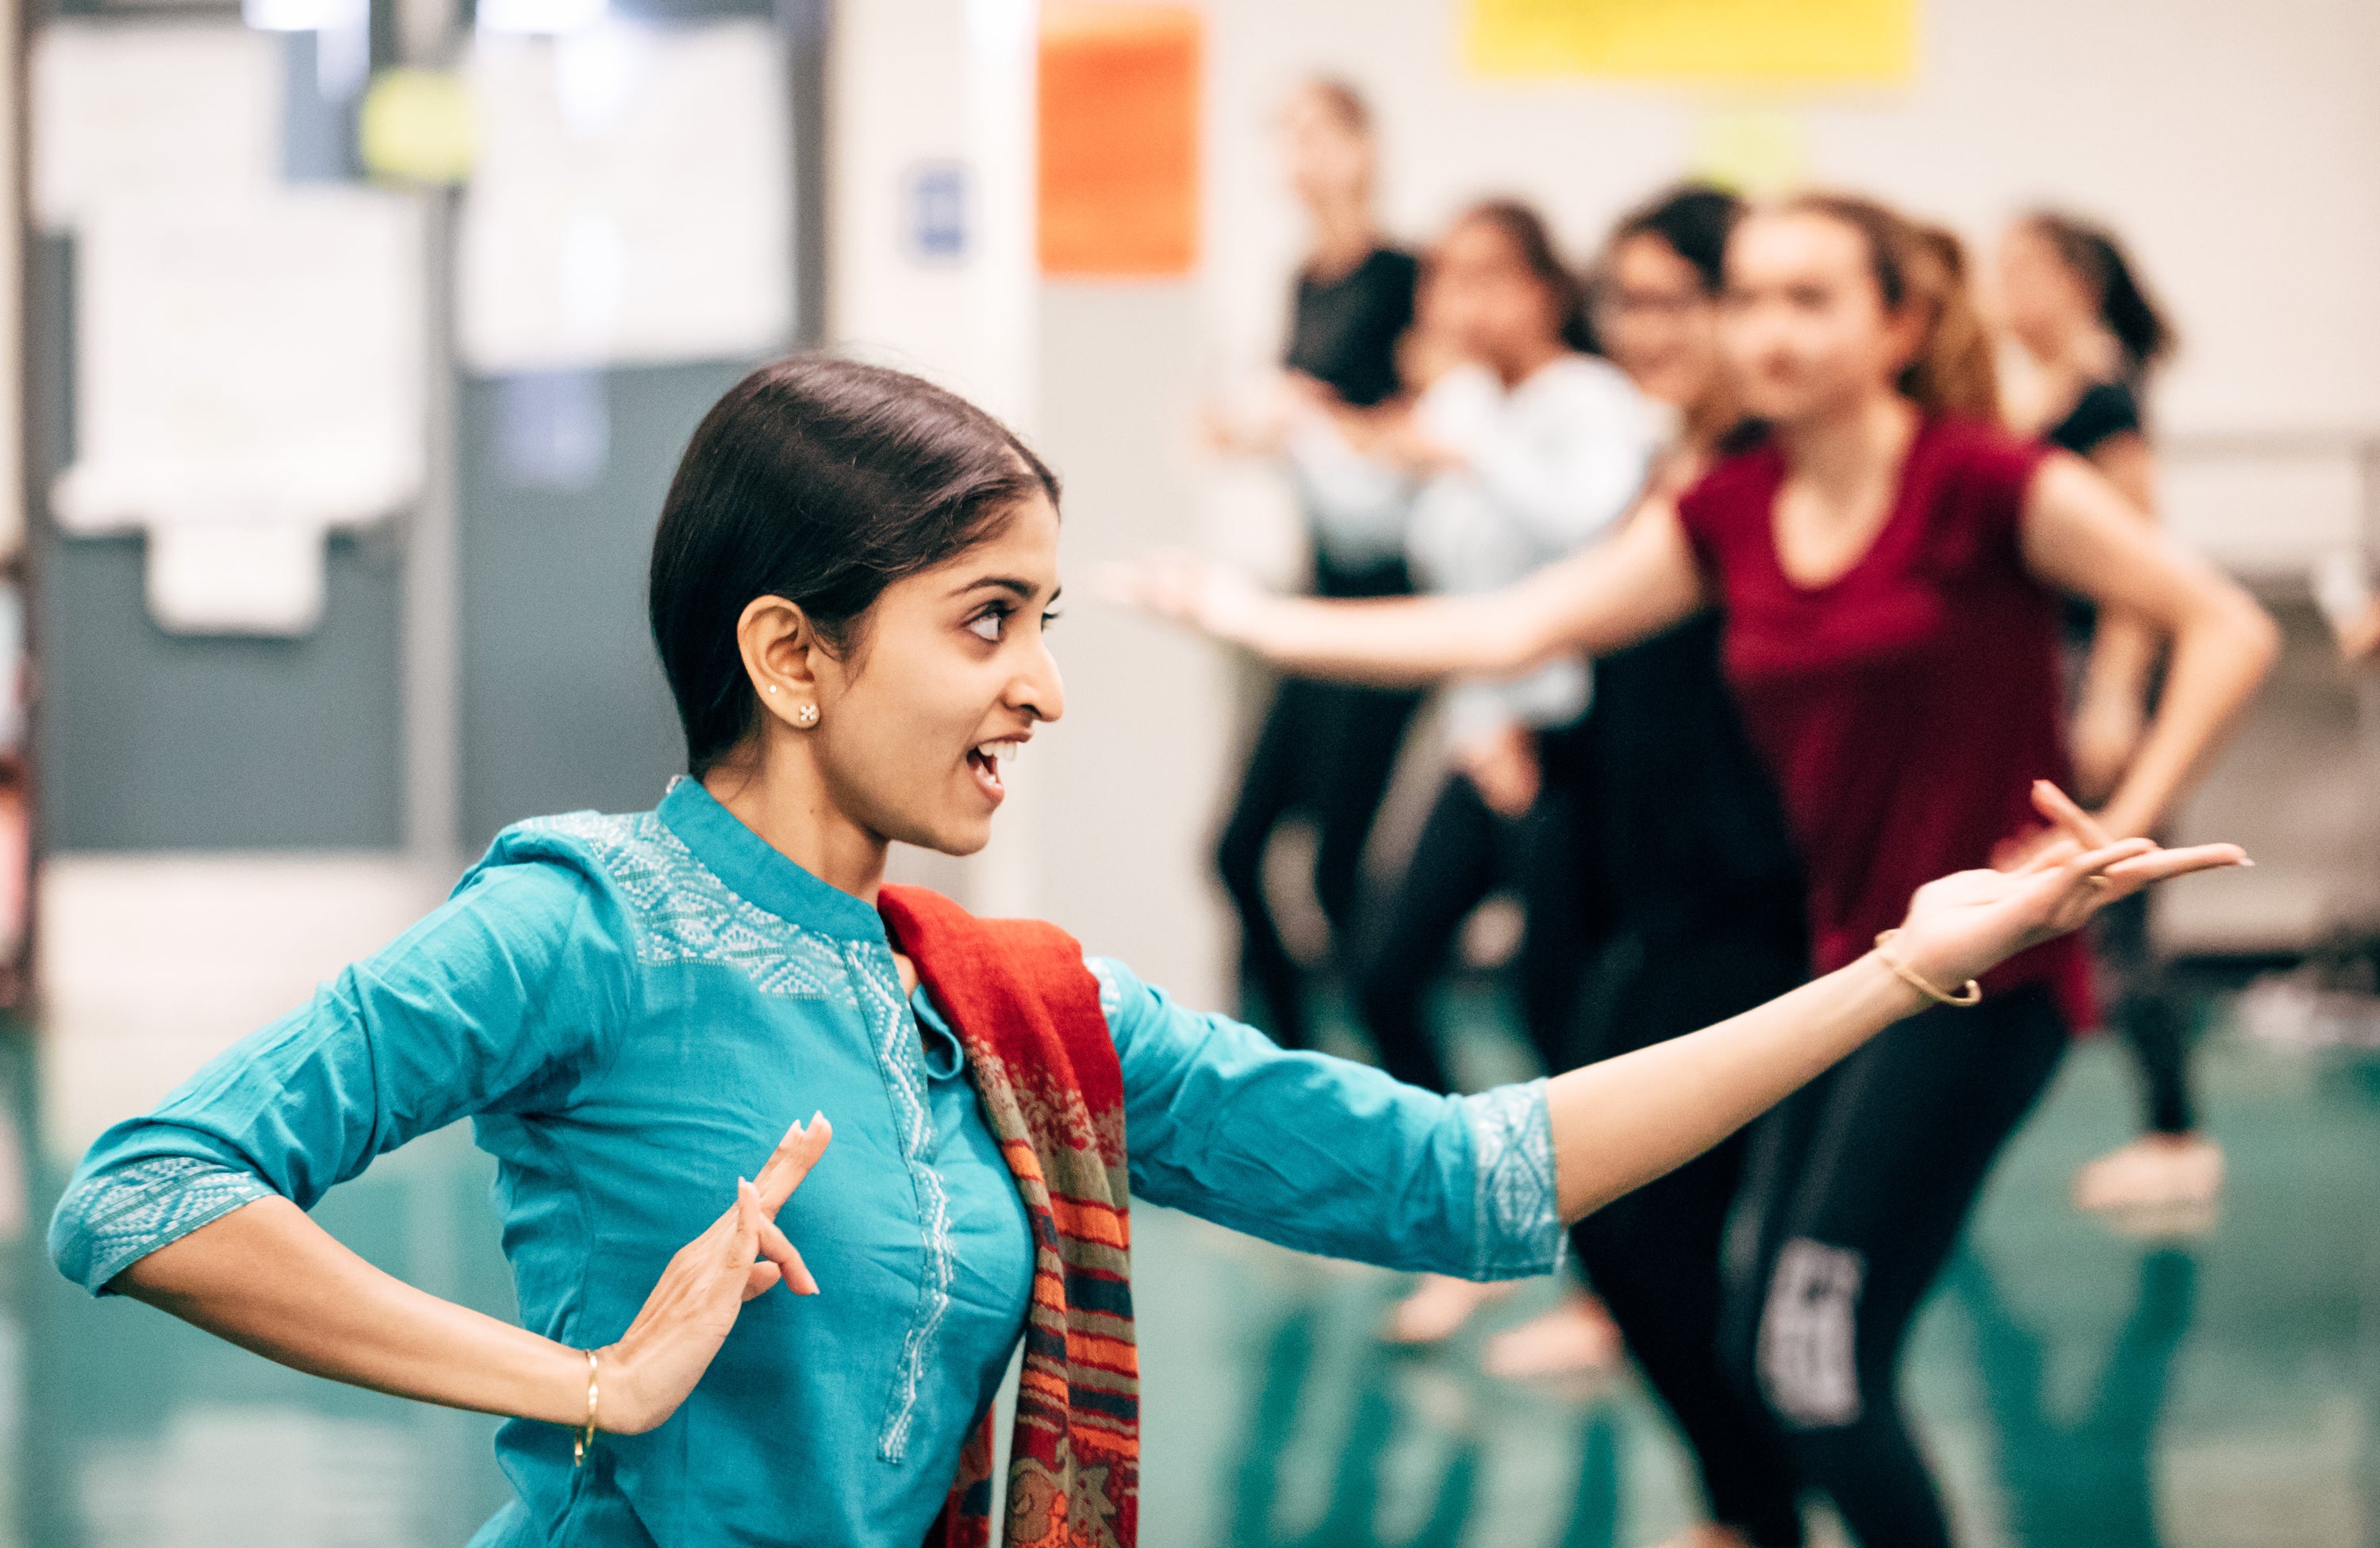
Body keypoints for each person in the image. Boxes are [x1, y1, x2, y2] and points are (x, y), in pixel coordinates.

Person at [48, 355, 2238, 1548]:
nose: (1043, 687)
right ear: (793, 653)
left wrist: (1904, 961)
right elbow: (142, 1185)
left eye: (1050, 622)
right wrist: (588, 1379)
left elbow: (1471, 1177)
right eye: (989, 622)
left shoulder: (1006, 1004)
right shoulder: (580, 925)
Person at [1128, 193, 2277, 1548]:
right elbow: (1516, 626)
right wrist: (1260, 618)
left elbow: (2225, 624)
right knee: (1762, 1334)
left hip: (1990, 976)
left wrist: (2119, 815)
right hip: (1852, 969)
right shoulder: (1732, 509)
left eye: (1810, 298)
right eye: (1751, 298)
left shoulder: (1986, 484)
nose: (1769, 330)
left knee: (1814, 1366)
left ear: (1898, 323)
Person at [1473, 183, 1814, 1548]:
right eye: (1631, 299)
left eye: (1683, 299)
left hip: (1747, 899)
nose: (1650, 327)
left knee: (1643, 1215)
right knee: (1640, 1213)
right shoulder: (1664, 466)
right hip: (1643, 876)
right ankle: (1747, 1502)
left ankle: (1757, 1507)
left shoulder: (1770, 485)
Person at [1316, 198, 1666, 1345]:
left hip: (1572, 739)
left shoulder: (1588, 401)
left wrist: (1469, 446)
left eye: (1488, 278)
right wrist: (1305, 427)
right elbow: (1382, 524)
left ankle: (1612, 1288)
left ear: (1543, 289)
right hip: (1481, 734)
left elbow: (1593, 539)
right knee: (1384, 968)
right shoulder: (1465, 400)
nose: (1461, 303)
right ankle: (1471, 1222)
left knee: (1561, 1013)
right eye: (1448, 279)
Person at [1996, 210, 2219, 1216]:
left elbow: (2143, 553)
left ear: (2077, 282)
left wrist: (2119, 692)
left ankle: (2176, 1134)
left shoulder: (2104, 397)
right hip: (2047, 666)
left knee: (2119, 908)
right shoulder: (2033, 396)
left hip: (2099, 667)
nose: (2004, 290)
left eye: (2023, 271)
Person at [1203, 79, 1425, 1051]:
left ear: (1365, 145)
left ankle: (1411, 1089)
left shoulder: (1406, 276)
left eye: (1318, 134)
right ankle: (1286, 1070)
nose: (1300, 158)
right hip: (1318, 589)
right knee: (1239, 849)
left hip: (1392, 596)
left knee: (1336, 871)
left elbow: (1422, 431)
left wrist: (1313, 422)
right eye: (1285, 137)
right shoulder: (1306, 278)